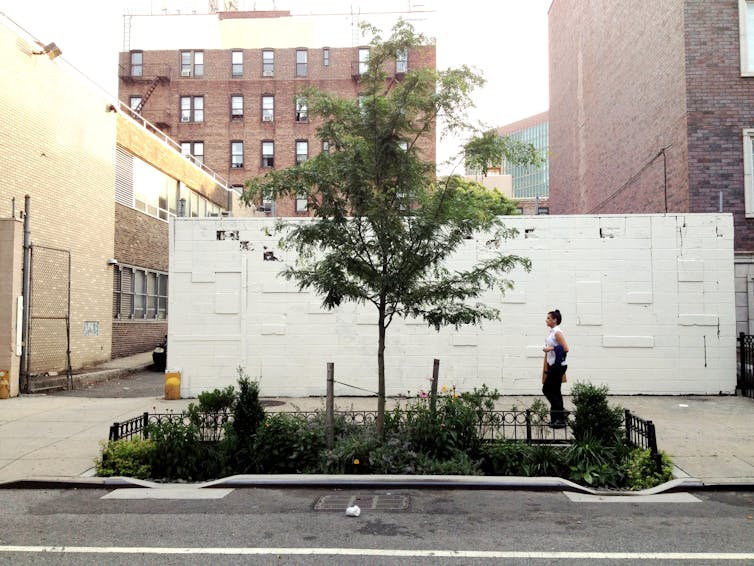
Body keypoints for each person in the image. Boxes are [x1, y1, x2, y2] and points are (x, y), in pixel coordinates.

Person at [542, 309, 569, 428]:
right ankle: (557, 420)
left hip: (558, 366)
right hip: (554, 365)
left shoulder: (557, 332)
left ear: (555, 320)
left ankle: (561, 412)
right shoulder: (552, 332)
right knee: (555, 391)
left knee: (547, 389)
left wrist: (550, 349)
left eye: (548, 318)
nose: (546, 320)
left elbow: (566, 348)